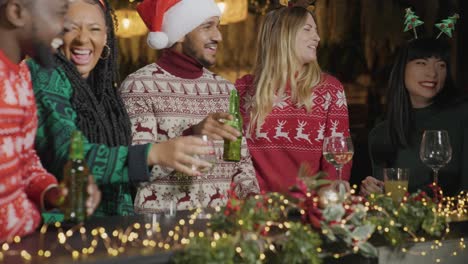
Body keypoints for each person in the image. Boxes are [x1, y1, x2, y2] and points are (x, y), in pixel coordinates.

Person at [27, 0, 213, 216]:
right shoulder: (44, 73)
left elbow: (123, 176)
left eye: (94, 29)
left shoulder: (103, 89)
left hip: (108, 230)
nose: (83, 39)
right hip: (60, 234)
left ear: (106, 36)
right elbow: (69, 155)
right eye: (71, 28)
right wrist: (151, 154)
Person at [120, 0, 259, 213]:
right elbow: (135, 171)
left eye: (218, 26)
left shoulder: (224, 90)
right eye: (207, 26)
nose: (218, 36)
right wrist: (193, 135)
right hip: (160, 231)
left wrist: (256, 206)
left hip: (217, 231)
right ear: (180, 33)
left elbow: (241, 164)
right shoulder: (139, 86)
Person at [0, 0, 100, 242]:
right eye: (60, 14)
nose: (66, 28)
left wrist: (54, 193)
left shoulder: (21, 72)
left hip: (25, 242)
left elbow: (23, 160)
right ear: (16, 13)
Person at [235, 6, 352, 194]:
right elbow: (232, 158)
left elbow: (337, 160)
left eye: (316, 30)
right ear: (282, 35)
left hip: (307, 209)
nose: (317, 38)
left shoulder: (330, 89)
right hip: (253, 211)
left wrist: (327, 202)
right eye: (307, 29)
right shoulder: (241, 89)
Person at [361, 38, 468, 197]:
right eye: (421, 63)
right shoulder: (381, 132)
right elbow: (388, 198)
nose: (432, 73)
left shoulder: (462, 117)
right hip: (404, 220)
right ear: (401, 69)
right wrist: (374, 190)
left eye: (441, 65)